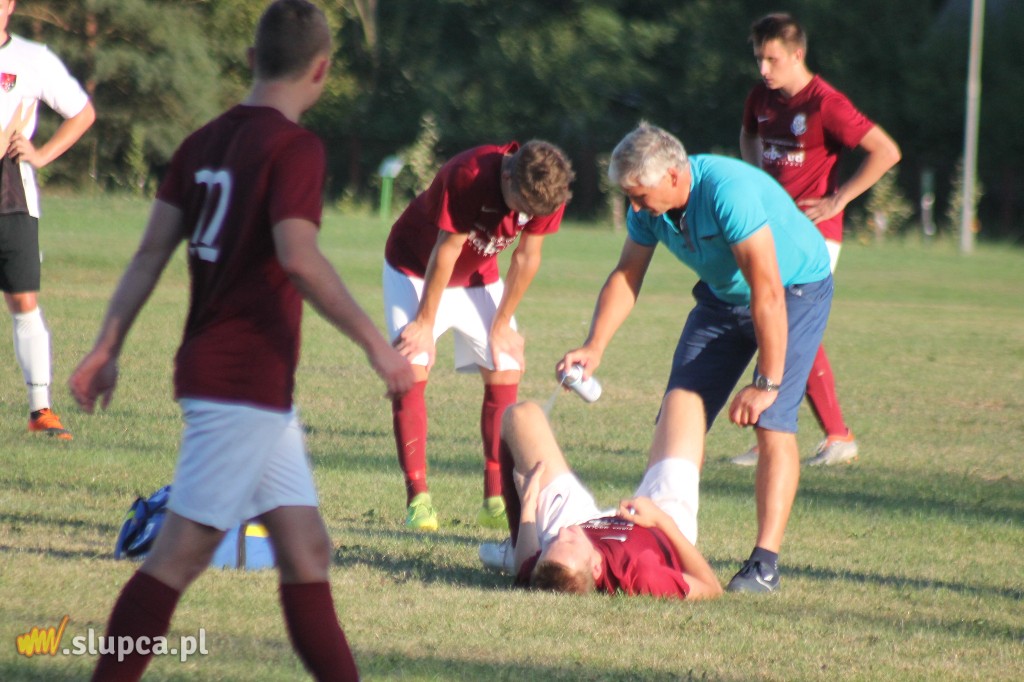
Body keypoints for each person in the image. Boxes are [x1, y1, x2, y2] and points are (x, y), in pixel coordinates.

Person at [69, 2, 413, 679]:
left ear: (253, 59)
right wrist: (379, 347)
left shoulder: (202, 143)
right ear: (322, 70)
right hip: (240, 383)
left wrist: (108, 346)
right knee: (177, 556)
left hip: (248, 387)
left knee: (306, 550)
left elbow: (148, 255)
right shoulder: (295, 147)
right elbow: (299, 257)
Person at [557, 122, 833, 593]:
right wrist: (594, 344)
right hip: (724, 297)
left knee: (773, 422)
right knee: (677, 415)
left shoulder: (728, 192)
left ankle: (764, 563)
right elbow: (627, 274)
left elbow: (767, 290)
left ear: (672, 177)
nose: (635, 207)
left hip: (794, 289)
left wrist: (766, 383)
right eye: (629, 197)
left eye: (639, 195)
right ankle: (660, 536)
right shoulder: (650, 210)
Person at [735, 12, 901, 467]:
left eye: (772, 59)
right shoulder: (761, 97)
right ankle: (800, 435)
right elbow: (748, 136)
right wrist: (755, 181)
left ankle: (827, 436)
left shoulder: (826, 104)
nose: (763, 69)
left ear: (797, 55)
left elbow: (887, 151)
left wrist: (838, 199)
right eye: (758, 58)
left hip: (814, 234)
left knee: (788, 328)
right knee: (780, 327)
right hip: (773, 230)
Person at [383, 139, 574, 532]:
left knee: (506, 365)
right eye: (521, 207)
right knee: (411, 368)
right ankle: (418, 499)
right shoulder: (468, 175)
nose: (523, 218)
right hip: (415, 269)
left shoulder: (547, 188)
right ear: (508, 176)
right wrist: (424, 324)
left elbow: (527, 257)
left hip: (477, 278)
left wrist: (502, 324)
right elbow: (446, 251)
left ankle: (495, 500)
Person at [480, 398, 722, 600]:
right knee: (683, 402)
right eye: (567, 542)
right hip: (660, 526)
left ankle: (512, 546)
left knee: (521, 415)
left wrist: (528, 505)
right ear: (596, 568)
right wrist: (661, 520)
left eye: (551, 543)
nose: (562, 532)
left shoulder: (554, 563)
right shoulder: (641, 575)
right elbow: (711, 588)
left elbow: (526, 564)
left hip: (584, 522)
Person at [1, 0, 96, 440]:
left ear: (11, 5)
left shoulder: (32, 58)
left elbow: (82, 113)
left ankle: (40, 410)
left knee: (24, 302)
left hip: (13, 198)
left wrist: (40, 155)